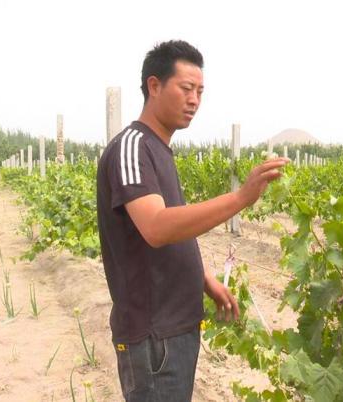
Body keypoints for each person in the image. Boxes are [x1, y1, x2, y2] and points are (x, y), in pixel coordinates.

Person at [96, 40, 288, 401]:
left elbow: (170, 230)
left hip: (174, 330)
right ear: (154, 86)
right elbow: (156, 226)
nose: (195, 100)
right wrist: (240, 198)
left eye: (200, 91)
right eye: (186, 89)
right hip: (154, 338)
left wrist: (203, 280)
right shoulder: (132, 146)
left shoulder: (159, 150)